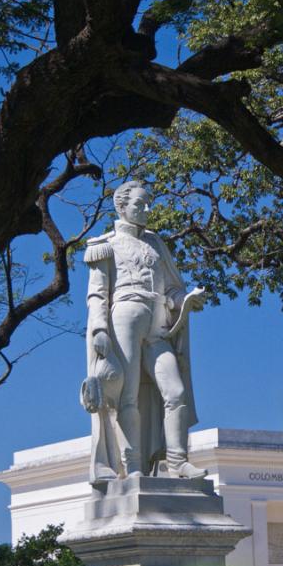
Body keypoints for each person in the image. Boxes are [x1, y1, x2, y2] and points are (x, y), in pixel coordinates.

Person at [81, 180, 207, 483]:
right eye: (140, 204)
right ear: (122, 206)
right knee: (127, 396)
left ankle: (178, 461)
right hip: (124, 316)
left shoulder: (156, 243)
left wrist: (186, 300)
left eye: (148, 203)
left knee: (175, 392)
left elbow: (172, 288)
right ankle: (132, 466)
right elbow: (98, 294)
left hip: (158, 323)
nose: (147, 209)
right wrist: (99, 328)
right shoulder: (104, 245)